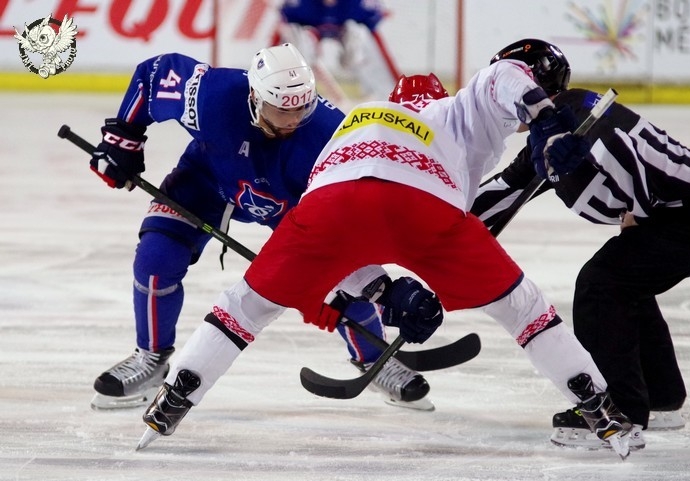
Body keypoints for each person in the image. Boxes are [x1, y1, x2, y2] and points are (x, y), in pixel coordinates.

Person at [136, 42, 634, 456]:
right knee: (525, 311)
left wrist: (386, 292)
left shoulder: (353, 119)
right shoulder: (455, 108)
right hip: (425, 207)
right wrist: (544, 121)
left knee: (245, 307)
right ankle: (599, 407)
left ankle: (175, 397)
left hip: (330, 203)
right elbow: (505, 74)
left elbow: (341, 225)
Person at [87, 43, 433, 412]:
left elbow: (343, 226)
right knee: (156, 260)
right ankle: (150, 357)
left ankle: (373, 356)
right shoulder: (212, 96)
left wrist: (378, 286)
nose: (292, 120)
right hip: (206, 179)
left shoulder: (329, 136)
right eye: (280, 110)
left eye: (302, 107)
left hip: (291, 207)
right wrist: (123, 140)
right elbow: (155, 73)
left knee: (335, 276)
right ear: (254, 97)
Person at [471, 39, 690, 450]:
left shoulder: (579, 115)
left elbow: (623, 152)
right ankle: (661, 398)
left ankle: (622, 410)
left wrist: (640, 211)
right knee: (623, 283)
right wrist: (449, 221)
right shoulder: (550, 131)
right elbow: (508, 188)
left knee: (603, 284)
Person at [273, 0, 401, 103]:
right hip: (310, 35)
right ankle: (291, 91)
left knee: (359, 33)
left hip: (348, 35)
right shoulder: (298, 4)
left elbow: (374, 35)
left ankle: (382, 95)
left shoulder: (360, 4)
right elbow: (282, 31)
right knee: (297, 36)